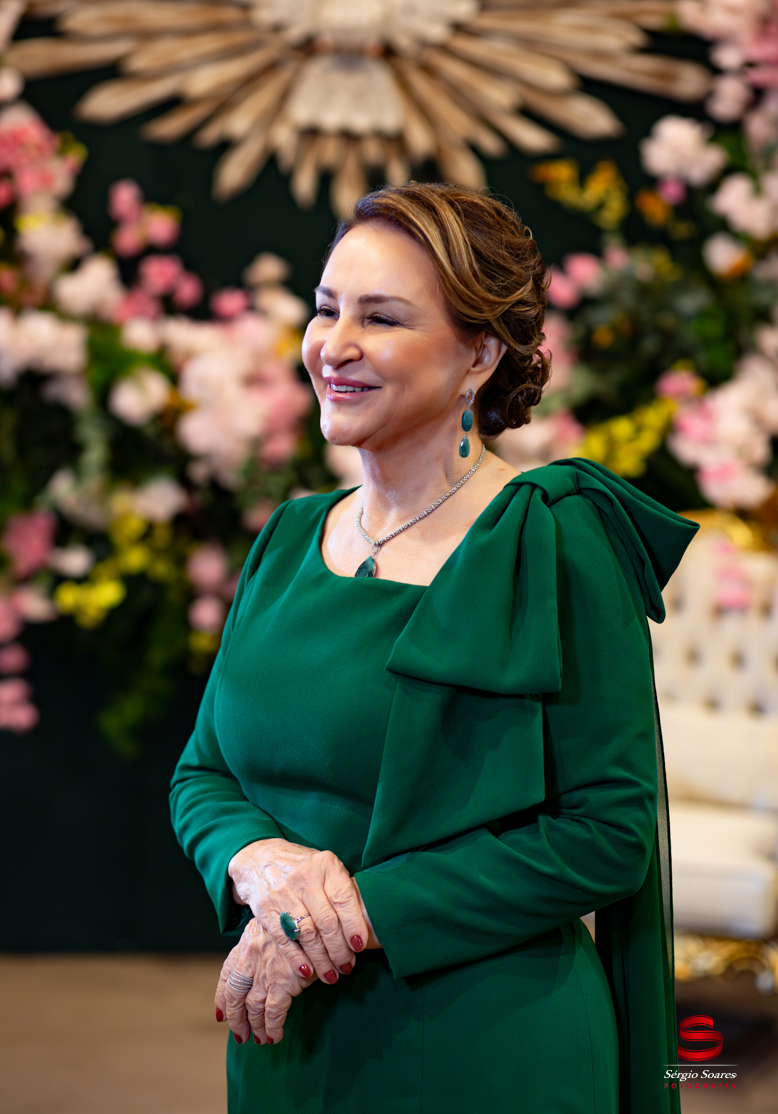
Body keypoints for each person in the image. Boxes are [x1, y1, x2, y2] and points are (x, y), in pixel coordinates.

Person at [170, 182, 696, 1114]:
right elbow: (201, 775)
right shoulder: (288, 538)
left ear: (478, 357)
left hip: (486, 1050)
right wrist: (258, 863)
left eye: (381, 318)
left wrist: (346, 917)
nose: (334, 345)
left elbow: (608, 837)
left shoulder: (554, 542)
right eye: (327, 308)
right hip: (288, 1045)